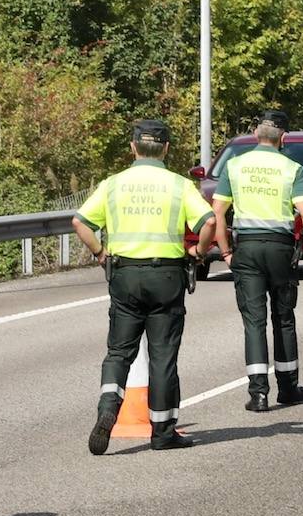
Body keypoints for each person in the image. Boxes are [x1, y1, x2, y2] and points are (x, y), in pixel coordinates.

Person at [74, 119, 216, 454]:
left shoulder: (113, 184)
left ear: (133, 147)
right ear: (166, 148)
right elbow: (209, 222)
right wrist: (196, 251)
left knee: (119, 351)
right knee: (162, 355)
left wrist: (100, 253)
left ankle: (108, 406)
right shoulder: (179, 185)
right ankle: (163, 431)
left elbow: (80, 222)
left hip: (125, 274)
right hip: (166, 275)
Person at [211, 110, 303, 412]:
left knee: (254, 321)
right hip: (280, 248)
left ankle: (258, 394)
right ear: (283, 138)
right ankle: (288, 388)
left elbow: (218, 212)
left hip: (246, 248)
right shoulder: (291, 168)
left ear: (256, 134)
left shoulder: (234, 166)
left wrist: (226, 251)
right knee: (283, 317)